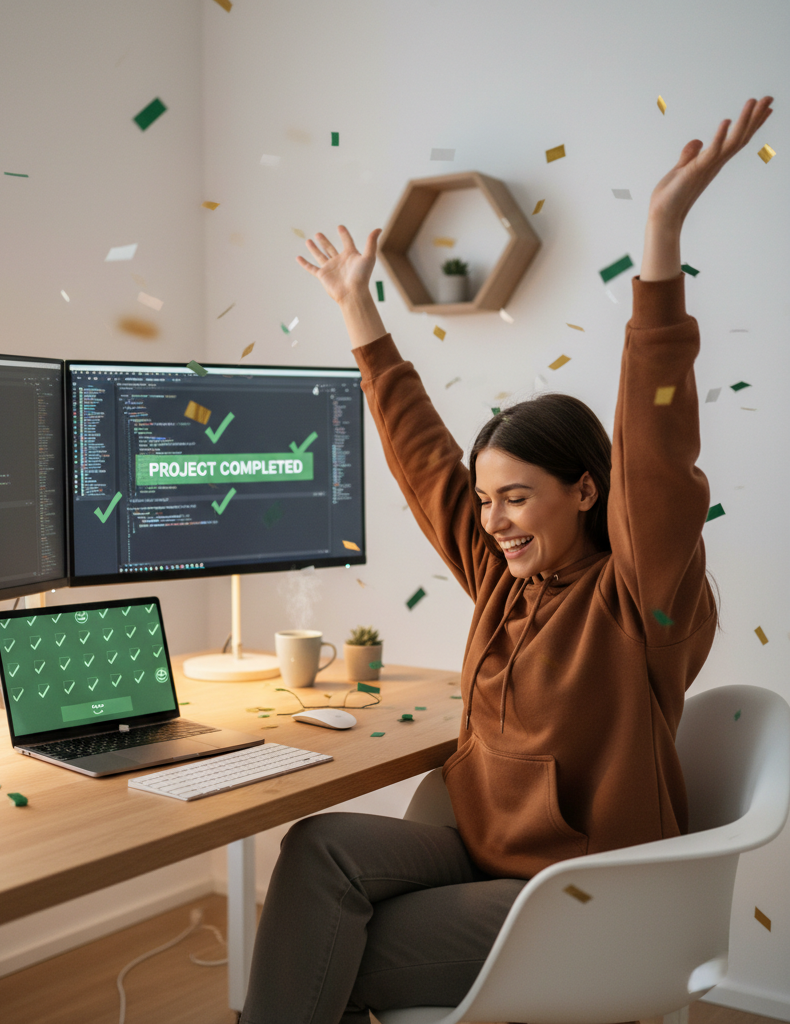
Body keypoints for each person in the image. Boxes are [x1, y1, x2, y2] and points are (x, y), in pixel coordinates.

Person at [237, 96, 774, 1024]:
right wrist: (357, 306)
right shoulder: (503, 571)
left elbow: (657, 452)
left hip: (583, 894)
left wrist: (661, 236)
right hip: (485, 849)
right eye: (486, 500)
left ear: (587, 492)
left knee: (329, 951)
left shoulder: (640, 597)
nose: (490, 520)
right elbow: (421, 459)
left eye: (516, 496)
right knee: (318, 849)